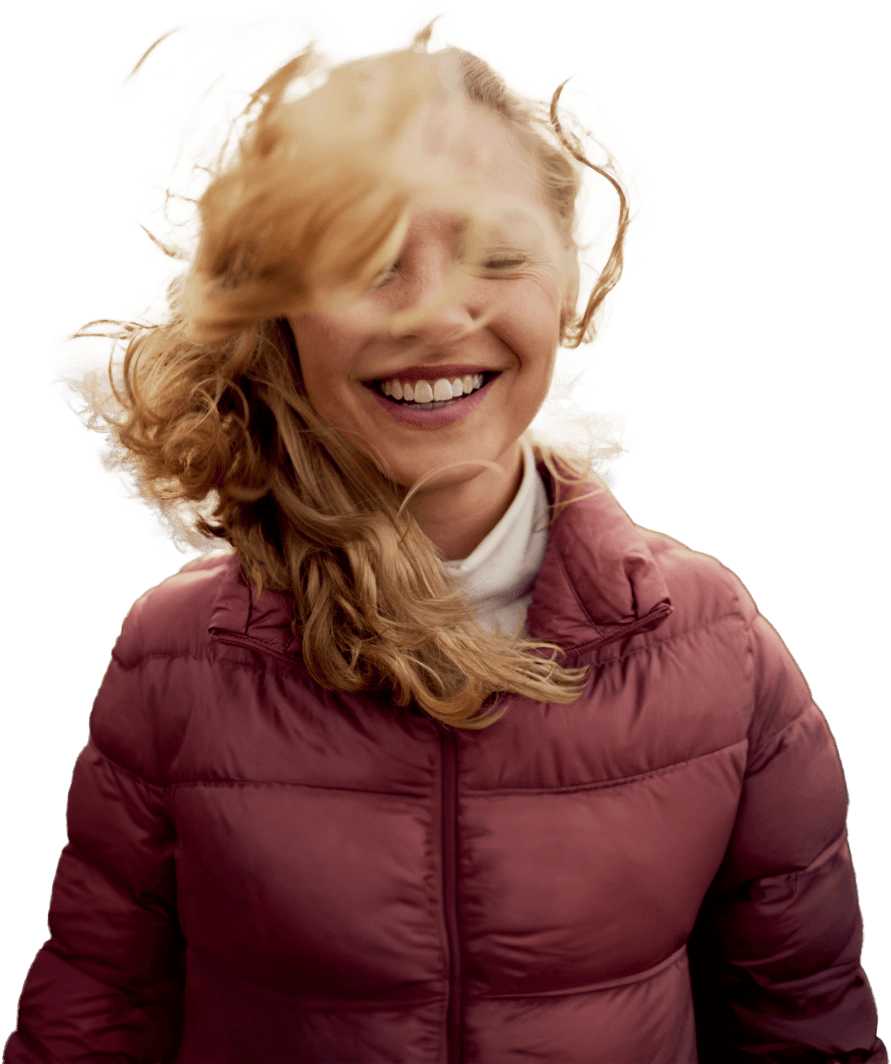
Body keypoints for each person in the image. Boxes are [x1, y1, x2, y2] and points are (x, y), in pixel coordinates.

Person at [4, 8, 884, 1063]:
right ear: (278, 312)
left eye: (496, 255)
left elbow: (810, 1030)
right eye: (363, 260)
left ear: (569, 283)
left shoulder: (718, 645)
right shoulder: (173, 656)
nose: (432, 314)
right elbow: (92, 1021)